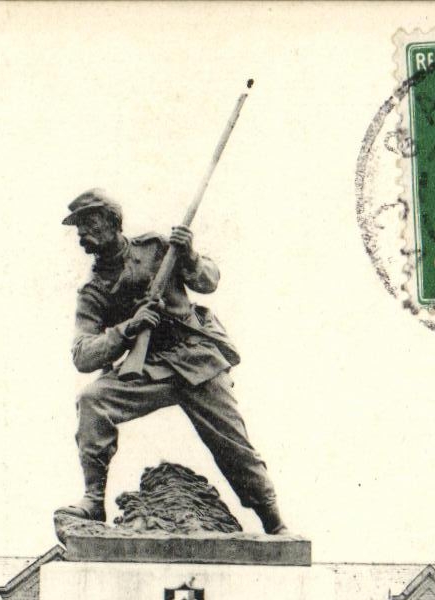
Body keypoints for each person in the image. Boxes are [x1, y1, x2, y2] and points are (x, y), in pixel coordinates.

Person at [59, 190, 288, 533]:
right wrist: (127, 328)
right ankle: (93, 502)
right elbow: (82, 355)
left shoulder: (156, 248)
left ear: (112, 220)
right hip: (148, 368)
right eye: (78, 226)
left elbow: (208, 281)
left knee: (234, 445)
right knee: (93, 401)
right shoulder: (93, 290)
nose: (82, 233)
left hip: (197, 357)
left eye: (89, 222)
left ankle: (274, 522)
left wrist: (191, 255)